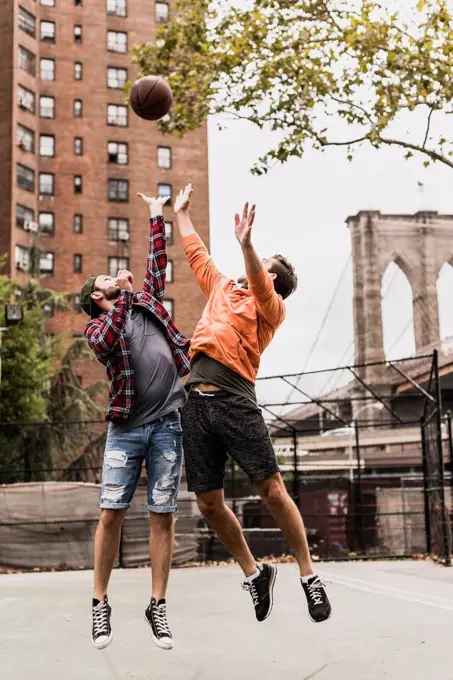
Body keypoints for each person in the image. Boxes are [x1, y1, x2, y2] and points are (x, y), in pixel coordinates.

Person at [175, 184, 331, 624]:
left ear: (274, 279)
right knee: (207, 502)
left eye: (265, 268)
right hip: (196, 404)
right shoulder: (223, 287)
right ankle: (254, 573)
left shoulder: (272, 309)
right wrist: (181, 213)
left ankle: (308, 576)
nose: (257, 269)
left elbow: (261, 283)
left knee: (273, 491)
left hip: (236, 402)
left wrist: (248, 244)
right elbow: (196, 256)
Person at [81, 193, 190, 651]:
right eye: (108, 279)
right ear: (96, 296)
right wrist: (123, 295)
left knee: (163, 514)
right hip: (127, 430)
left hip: (167, 423)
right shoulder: (98, 329)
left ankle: (158, 605)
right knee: (111, 514)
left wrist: (156, 214)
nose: (116, 277)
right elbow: (110, 332)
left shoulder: (144, 303)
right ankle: (100, 603)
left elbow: (158, 268)